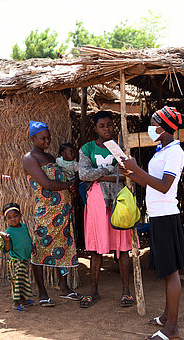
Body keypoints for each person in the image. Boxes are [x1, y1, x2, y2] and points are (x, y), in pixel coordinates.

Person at [121, 106, 184, 340]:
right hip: (158, 215)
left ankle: (171, 328)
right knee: (167, 269)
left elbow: (164, 186)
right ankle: (166, 316)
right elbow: (152, 183)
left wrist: (137, 168)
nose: (150, 127)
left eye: (153, 123)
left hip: (167, 215)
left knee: (171, 272)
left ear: (164, 127)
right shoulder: (162, 150)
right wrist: (131, 173)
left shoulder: (175, 153)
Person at [23, 121, 82, 307]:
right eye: (43, 138)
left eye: (49, 137)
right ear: (33, 138)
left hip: (62, 213)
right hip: (46, 212)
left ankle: (63, 288)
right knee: (40, 249)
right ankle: (42, 292)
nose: (48, 140)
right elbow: (47, 184)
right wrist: (68, 186)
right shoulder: (30, 158)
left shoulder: (49, 156)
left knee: (62, 248)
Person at [78, 110, 134, 308]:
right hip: (97, 200)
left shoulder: (119, 148)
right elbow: (83, 174)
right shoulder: (87, 148)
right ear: (95, 128)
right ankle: (93, 291)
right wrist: (110, 172)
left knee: (123, 247)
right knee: (95, 248)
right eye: (101, 126)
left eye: (109, 124)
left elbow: (128, 173)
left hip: (119, 199)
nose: (106, 129)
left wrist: (99, 175)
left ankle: (126, 291)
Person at [0, 203, 34, 311]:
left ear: (20, 215)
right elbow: (8, 248)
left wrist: (32, 247)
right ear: (5, 220)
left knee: (23, 281)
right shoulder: (8, 233)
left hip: (24, 260)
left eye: (15, 216)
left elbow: (28, 239)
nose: (13, 219)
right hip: (15, 262)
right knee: (16, 283)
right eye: (9, 218)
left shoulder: (24, 226)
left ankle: (23, 300)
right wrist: (6, 240)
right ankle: (16, 303)